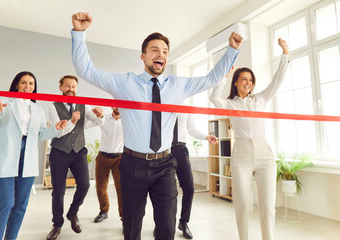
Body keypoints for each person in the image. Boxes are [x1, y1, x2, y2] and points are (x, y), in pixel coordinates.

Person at [70, 12, 242, 240]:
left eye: (165, 52)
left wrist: (231, 51)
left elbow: (211, 79)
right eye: (154, 50)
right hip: (132, 165)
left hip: (164, 165)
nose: (161, 55)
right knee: (131, 228)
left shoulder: (178, 85)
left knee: (167, 229)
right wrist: (80, 34)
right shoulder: (125, 84)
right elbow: (86, 71)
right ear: (143, 56)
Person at [210, 38, 289, 240]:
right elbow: (213, 98)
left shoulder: (260, 99)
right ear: (236, 82)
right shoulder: (229, 104)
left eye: (250, 80)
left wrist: (285, 54)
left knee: (267, 207)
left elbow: (277, 81)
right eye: (244, 79)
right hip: (242, 155)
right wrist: (222, 76)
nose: (248, 83)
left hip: (265, 155)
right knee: (243, 206)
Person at [0, 71, 67, 240]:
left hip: (28, 158)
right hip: (6, 157)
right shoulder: (2, 101)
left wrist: (56, 129)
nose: (27, 86)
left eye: (31, 83)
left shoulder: (37, 109)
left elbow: (40, 134)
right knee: (4, 203)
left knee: (20, 206)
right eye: (24, 82)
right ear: (16, 84)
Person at [46, 75, 104, 240]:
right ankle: (57, 224)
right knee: (58, 191)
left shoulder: (83, 105)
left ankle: (72, 213)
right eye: (67, 86)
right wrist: (72, 121)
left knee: (85, 185)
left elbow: (97, 123)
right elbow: (59, 131)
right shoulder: (53, 106)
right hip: (59, 151)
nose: (70, 89)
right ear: (61, 87)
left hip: (79, 152)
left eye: (73, 86)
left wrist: (100, 116)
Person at [172, 113, 218, 239]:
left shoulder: (186, 107)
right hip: (165, 150)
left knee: (189, 188)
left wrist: (206, 137)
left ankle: (184, 222)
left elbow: (191, 129)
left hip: (181, 149)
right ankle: (162, 223)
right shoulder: (163, 102)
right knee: (165, 191)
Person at [93, 107, 123, 224]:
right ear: (111, 106)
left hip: (120, 158)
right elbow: (98, 120)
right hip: (103, 157)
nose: (118, 108)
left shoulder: (127, 120)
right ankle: (103, 211)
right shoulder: (104, 118)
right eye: (115, 105)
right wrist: (99, 115)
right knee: (100, 186)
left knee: (121, 188)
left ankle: (124, 217)